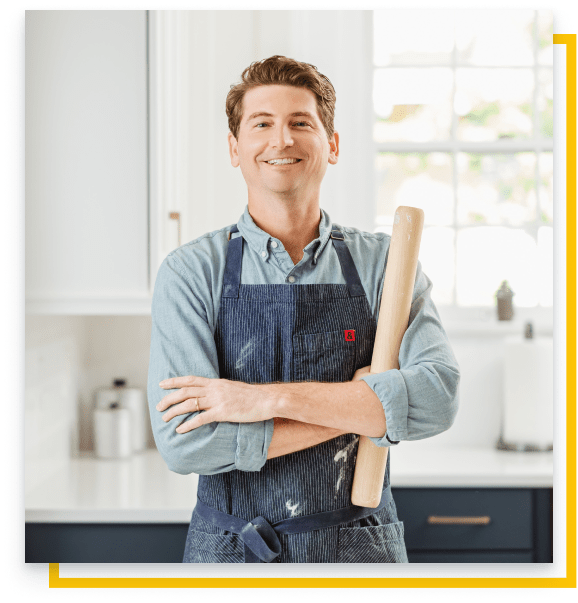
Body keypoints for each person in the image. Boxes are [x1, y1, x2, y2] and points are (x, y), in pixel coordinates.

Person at [147, 55, 460, 564]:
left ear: (331, 144)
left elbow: (437, 398)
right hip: (229, 553)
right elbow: (187, 445)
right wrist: (365, 407)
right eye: (262, 124)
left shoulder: (385, 264)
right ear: (235, 147)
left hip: (361, 552)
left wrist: (263, 400)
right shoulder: (190, 272)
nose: (281, 140)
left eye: (300, 123)